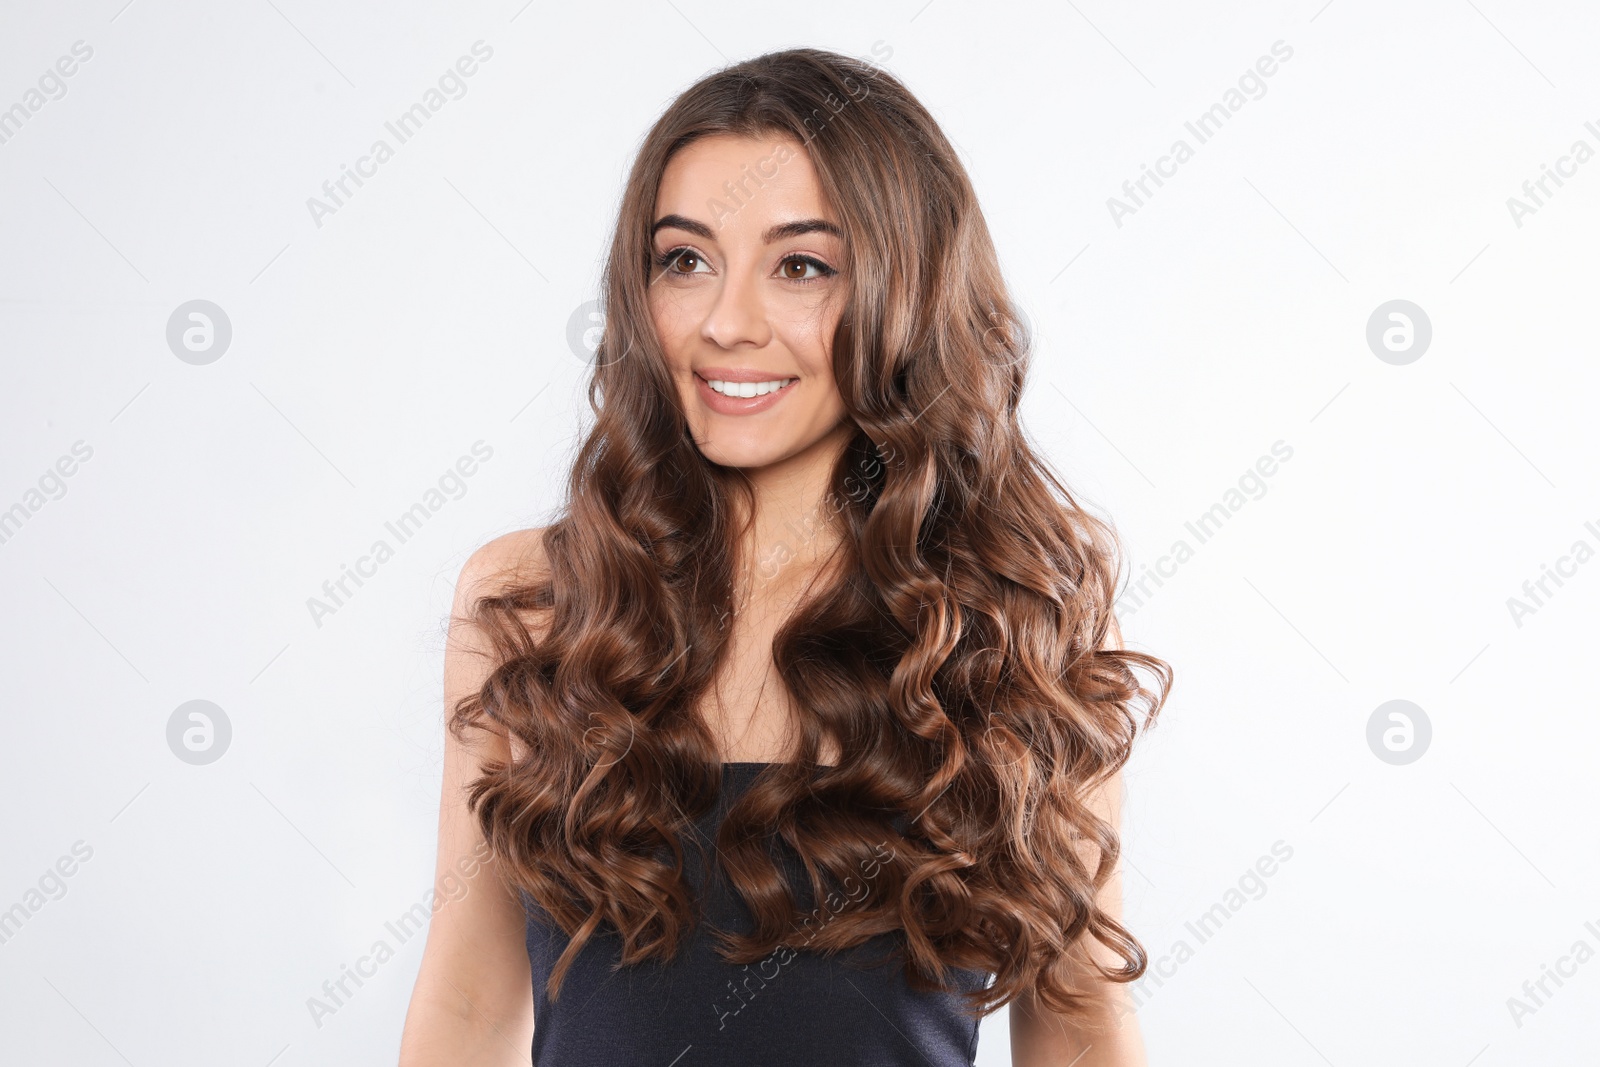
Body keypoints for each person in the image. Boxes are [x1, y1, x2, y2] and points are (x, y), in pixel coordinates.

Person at [399, 46, 1171, 1067]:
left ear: (906, 292)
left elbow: (1076, 1025)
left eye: (801, 266)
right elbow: (466, 1002)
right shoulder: (530, 601)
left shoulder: (1020, 617)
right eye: (685, 259)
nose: (726, 322)